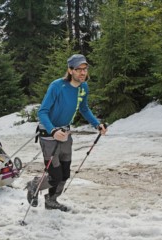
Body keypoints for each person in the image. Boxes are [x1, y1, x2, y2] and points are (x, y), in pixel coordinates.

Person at [26, 54, 107, 211]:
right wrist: (53, 130)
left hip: (66, 133)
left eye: (85, 69)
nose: (83, 73)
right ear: (70, 70)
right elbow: (42, 112)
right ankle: (34, 185)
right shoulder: (57, 86)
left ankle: (51, 200)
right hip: (49, 134)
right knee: (54, 174)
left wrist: (97, 125)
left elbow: (83, 108)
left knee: (65, 173)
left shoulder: (84, 87)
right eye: (79, 69)